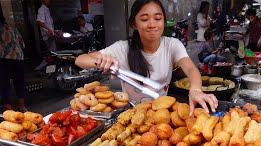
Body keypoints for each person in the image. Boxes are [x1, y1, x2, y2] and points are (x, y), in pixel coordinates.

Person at [75, 0, 218, 115]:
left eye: (157, 18)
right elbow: (80, 60)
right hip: (132, 116)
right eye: (144, 19)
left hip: (162, 115)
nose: (152, 25)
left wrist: (196, 90)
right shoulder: (123, 48)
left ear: (163, 21)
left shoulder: (172, 45)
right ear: (134, 24)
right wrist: (100, 60)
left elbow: (191, 69)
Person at [0, 11, 26, 112]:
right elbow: (22, 44)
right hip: (18, 58)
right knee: (19, 82)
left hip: (3, 59)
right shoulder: (13, 28)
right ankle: (22, 106)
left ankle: (8, 110)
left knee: (4, 84)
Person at [35, 0, 56, 70]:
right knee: (51, 53)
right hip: (47, 36)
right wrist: (49, 30)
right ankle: (45, 68)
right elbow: (39, 22)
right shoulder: (41, 9)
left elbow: (48, 23)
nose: (49, 1)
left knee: (52, 52)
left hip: (51, 35)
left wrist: (53, 30)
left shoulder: (46, 9)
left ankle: (50, 69)